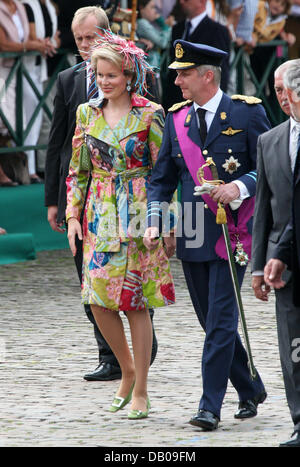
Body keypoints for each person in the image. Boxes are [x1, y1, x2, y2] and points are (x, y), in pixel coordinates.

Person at [144, 40, 269, 430]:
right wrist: (154, 219)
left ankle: (208, 406)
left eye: (184, 73)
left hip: (234, 232)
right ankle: (250, 387)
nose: (177, 81)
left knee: (220, 322)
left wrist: (239, 187)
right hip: (194, 231)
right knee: (208, 319)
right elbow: (161, 179)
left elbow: (268, 166)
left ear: (208, 75)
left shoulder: (247, 114)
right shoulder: (177, 118)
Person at [65, 30, 175, 418]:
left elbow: (166, 171)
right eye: (99, 74)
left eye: (111, 75)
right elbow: (77, 172)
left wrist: (168, 222)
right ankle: (126, 369)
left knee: (136, 303)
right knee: (97, 299)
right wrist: (73, 216)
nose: (104, 81)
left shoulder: (151, 113)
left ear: (128, 75)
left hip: (139, 213)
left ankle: (141, 387)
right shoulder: (86, 113)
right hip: (99, 213)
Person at [45, 6, 158, 383]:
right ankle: (114, 359)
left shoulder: (147, 101)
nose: (84, 47)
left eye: (90, 38)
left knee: (134, 295)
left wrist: (167, 219)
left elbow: (162, 167)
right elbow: (64, 153)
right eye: (78, 41)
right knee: (93, 291)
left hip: (138, 204)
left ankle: (138, 366)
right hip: (96, 206)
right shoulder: (77, 98)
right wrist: (64, 209)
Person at [263, 59, 300, 447]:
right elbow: (268, 210)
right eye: (276, 91)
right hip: (286, 260)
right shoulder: (270, 140)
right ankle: (299, 420)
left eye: (286, 90)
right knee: (292, 345)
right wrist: (262, 263)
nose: (283, 98)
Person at [163, 0, 231, 111]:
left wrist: (217, 106)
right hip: (177, 104)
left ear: (202, 1)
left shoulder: (217, 31)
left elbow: (220, 72)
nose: (181, 2)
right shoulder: (178, 29)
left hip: (205, 104)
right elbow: (173, 71)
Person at [0, 0, 47, 155]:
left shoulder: (20, 7)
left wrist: (39, 42)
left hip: (16, 71)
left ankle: (11, 168)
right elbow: (3, 45)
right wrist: (31, 46)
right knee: (3, 121)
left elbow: (27, 37)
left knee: (16, 124)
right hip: (2, 70)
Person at [21, 0, 59, 184]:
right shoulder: (27, 4)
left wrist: (51, 42)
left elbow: (56, 35)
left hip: (40, 68)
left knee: (36, 118)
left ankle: (31, 168)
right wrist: (43, 44)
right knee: (26, 118)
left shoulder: (49, 6)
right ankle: (27, 168)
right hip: (22, 68)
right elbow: (30, 37)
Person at [136, 0, 171, 102]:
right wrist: (165, 25)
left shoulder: (148, 23)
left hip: (153, 71)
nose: (155, 11)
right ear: (142, 8)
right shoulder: (142, 23)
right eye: (151, 7)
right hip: (148, 71)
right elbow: (163, 42)